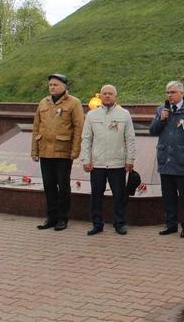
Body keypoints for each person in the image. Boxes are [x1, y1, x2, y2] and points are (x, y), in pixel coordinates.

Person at [149, 80, 184, 238]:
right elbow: (152, 131)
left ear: (181, 93)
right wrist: (161, 119)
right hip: (165, 158)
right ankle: (171, 224)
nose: (169, 95)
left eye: (172, 92)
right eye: (167, 92)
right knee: (168, 195)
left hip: (183, 159)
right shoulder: (162, 109)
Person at [79, 84, 135, 236]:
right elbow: (86, 139)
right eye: (105, 94)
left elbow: (130, 138)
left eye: (110, 93)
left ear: (116, 96)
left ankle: (120, 223)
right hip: (97, 164)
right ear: (100, 96)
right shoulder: (92, 115)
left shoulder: (124, 114)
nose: (108, 96)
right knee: (96, 195)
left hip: (117, 163)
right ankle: (97, 224)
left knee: (119, 195)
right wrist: (85, 159)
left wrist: (130, 158)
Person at [31, 73, 85, 231]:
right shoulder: (43, 102)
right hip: (45, 152)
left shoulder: (74, 103)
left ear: (64, 86)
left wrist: (75, 150)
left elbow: (79, 128)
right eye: (50, 85)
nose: (52, 87)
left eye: (55, 85)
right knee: (49, 186)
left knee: (63, 186)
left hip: (63, 152)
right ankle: (51, 217)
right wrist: (34, 150)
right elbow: (36, 127)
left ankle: (63, 218)